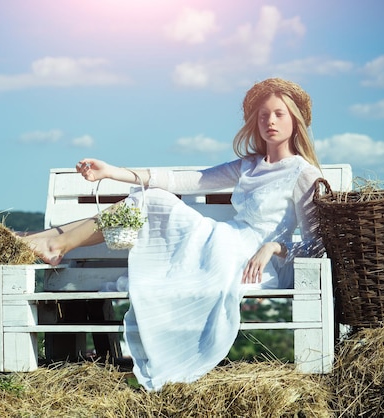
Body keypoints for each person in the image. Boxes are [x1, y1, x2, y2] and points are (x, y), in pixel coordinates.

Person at [20, 78, 324, 391]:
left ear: (296, 120)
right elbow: (187, 180)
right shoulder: (248, 165)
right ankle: (54, 242)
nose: (270, 121)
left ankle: (53, 242)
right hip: (222, 240)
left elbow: (317, 247)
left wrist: (274, 246)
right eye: (263, 115)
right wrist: (112, 171)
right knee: (151, 198)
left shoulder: (304, 173)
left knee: (151, 202)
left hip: (251, 259)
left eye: (279, 114)